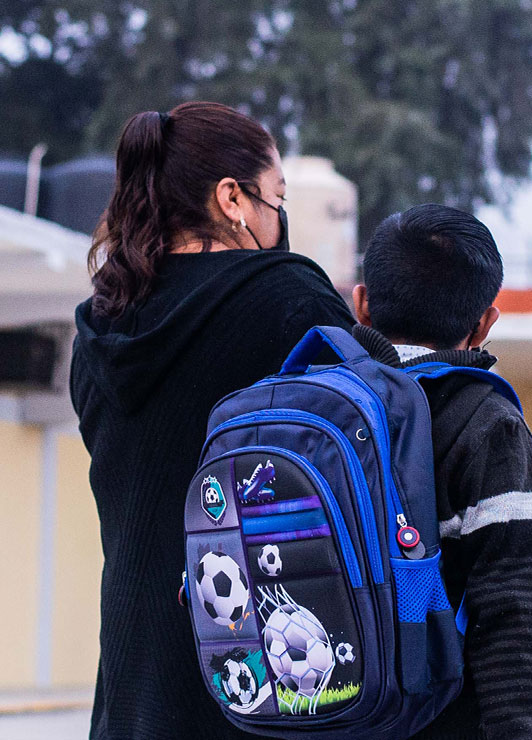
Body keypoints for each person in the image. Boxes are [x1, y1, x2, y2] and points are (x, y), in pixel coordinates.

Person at [70, 103, 355, 739]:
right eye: (276, 199)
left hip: (132, 674)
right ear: (232, 198)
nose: (280, 220)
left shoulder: (99, 327)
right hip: (259, 672)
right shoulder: (288, 298)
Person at [348, 204, 532, 738]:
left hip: (315, 714)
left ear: (362, 304)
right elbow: (513, 615)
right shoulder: (488, 424)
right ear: (485, 322)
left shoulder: (315, 402)